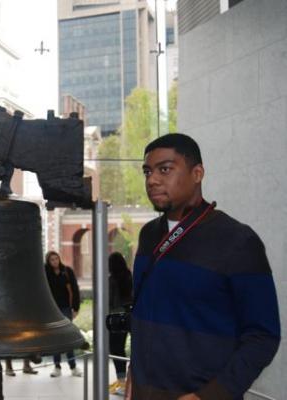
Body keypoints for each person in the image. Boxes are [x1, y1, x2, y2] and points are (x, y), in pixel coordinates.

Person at [127, 133, 280, 400]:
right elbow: (144, 315)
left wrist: (211, 395)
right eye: (148, 171)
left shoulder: (238, 240)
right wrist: (133, 373)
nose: (152, 180)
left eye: (165, 169)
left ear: (197, 173)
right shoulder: (149, 235)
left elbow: (263, 336)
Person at [44, 251, 82, 378]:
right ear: (48, 262)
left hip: (66, 308)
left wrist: (75, 308)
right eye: (52, 260)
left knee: (67, 336)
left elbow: (75, 289)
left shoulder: (67, 271)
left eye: (56, 258)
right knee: (56, 338)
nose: (55, 261)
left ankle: (73, 367)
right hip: (52, 310)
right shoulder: (46, 273)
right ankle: (57, 367)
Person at [107, 252, 132, 396]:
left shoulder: (111, 280)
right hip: (131, 316)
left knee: (116, 349)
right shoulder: (129, 276)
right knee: (132, 349)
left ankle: (122, 381)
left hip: (117, 318)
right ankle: (129, 382)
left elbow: (109, 301)